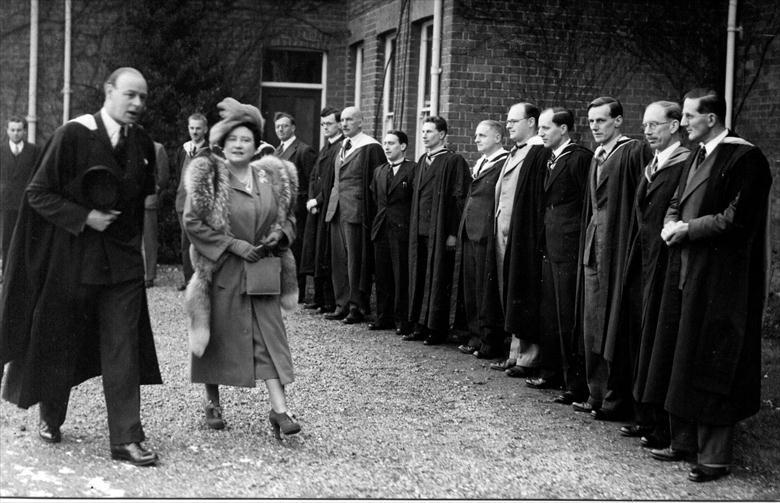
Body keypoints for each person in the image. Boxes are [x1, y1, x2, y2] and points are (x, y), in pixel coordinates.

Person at [0, 67, 162, 466]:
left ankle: (126, 437)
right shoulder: (72, 135)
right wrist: (84, 216)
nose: (138, 104)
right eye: (130, 95)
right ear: (109, 91)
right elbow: (37, 194)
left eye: (143, 97)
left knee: (123, 346)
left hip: (122, 267)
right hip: (73, 262)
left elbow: (141, 201)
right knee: (61, 341)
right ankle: (51, 416)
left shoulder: (142, 143)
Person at [649, 89, 771, 483]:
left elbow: (737, 219)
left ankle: (714, 457)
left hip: (723, 277)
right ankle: (683, 441)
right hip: (689, 267)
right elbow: (677, 199)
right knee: (682, 354)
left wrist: (688, 229)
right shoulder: (698, 155)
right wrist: (671, 222)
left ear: (712, 118)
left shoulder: (746, 158)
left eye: (688, 116)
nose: (683, 123)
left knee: (713, 359)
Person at [183, 97, 301, 438]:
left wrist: (281, 234)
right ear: (223, 142)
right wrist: (233, 245)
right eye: (233, 139)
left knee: (268, 338)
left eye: (246, 139)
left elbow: (289, 217)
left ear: (256, 144)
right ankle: (212, 400)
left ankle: (279, 410)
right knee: (217, 338)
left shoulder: (271, 176)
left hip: (261, 271)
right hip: (222, 271)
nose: (239, 145)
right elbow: (192, 222)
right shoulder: (210, 177)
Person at [572, 96, 652, 420]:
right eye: (591, 122)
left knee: (614, 323)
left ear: (618, 121)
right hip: (594, 247)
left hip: (618, 248)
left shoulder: (633, 152)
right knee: (592, 322)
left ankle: (617, 399)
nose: (595, 127)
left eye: (601, 121)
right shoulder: (596, 156)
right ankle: (596, 392)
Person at [622, 101, 689, 447]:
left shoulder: (685, 163)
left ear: (675, 126)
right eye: (645, 125)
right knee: (641, 336)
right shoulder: (653, 164)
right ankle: (643, 416)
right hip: (644, 261)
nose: (647, 131)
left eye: (655, 125)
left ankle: (660, 423)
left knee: (661, 343)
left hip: (666, 263)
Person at [530, 108, 591, 401]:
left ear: (563, 129)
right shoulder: (550, 159)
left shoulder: (578, 158)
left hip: (569, 246)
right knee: (551, 311)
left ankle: (574, 383)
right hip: (551, 244)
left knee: (567, 313)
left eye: (545, 128)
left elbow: (585, 205)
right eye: (539, 128)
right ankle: (551, 372)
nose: (540, 133)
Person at [486, 103, 548, 377]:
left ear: (532, 122)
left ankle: (529, 356)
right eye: (507, 121)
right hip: (504, 229)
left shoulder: (538, 152)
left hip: (522, 232)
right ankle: (515, 351)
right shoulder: (515, 153)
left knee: (523, 289)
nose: (508, 125)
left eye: (514, 121)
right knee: (508, 289)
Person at [405, 116, 470, 345]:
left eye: (429, 131)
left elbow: (459, 198)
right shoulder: (423, 160)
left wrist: (453, 232)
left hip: (441, 231)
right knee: (420, 276)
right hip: (420, 230)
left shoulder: (454, 161)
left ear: (442, 134)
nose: (424, 135)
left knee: (438, 278)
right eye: (423, 131)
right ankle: (419, 325)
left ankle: (436, 328)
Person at [323, 106, 385, 324]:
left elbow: (377, 183)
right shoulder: (342, 146)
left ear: (361, 122)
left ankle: (357, 306)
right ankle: (342, 303)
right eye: (343, 120)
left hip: (357, 210)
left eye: (350, 120)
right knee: (339, 258)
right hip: (337, 208)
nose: (344, 124)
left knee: (355, 260)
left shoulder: (370, 147)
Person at [453, 120, 508, 359]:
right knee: (471, 287)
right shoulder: (481, 163)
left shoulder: (504, 162)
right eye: (476, 135)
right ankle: (475, 335)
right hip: (470, 230)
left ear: (497, 138)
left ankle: (489, 340)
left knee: (485, 289)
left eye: (482, 135)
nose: (476, 139)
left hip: (486, 232)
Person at [369, 130, 416, 334]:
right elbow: (375, 198)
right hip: (381, 229)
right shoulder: (379, 171)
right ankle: (383, 317)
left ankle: (402, 320)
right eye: (385, 143)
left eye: (391, 143)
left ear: (403, 146)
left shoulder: (413, 169)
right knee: (382, 275)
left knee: (401, 276)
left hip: (402, 230)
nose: (386, 147)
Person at [302, 107, 343, 314]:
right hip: (316, 207)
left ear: (339, 124)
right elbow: (314, 175)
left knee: (326, 253)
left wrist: (318, 201)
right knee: (316, 252)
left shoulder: (340, 148)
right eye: (323, 124)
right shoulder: (326, 147)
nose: (325, 127)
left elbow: (332, 182)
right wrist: (311, 198)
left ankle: (328, 300)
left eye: (329, 123)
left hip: (327, 207)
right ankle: (318, 298)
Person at [274, 112, 316, 303]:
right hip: (279, 208)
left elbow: (311, 182)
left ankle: (297, 290)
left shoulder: (303, 150)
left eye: (284, 126)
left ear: (293, 128)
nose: (280, 129)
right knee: (281, 246)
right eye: (277, 127)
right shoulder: (277, 150)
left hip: (296, 208)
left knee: (295, 248)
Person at [174, 113, 209, 290]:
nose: (195, 132)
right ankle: (188, 279)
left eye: (198, 128)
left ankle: (202, 280)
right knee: (185, 243)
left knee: (200, 243)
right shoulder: (183, 150)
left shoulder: (210, 152)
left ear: (205, 129)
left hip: (200, 206)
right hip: (182, 202)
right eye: (192, 128)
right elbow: (178, 174)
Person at [0, 116, 40, 269]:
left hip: (27, 203)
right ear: (7, 131)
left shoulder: (35, 150)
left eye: (19, 130)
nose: (16, 133)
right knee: (7, 240)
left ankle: (24, 277)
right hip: (6, 203)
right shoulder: (1, 150)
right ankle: (6, 274)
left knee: (27, 240)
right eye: (12, 130)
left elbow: (38, 176)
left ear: (24, 131)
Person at [142, 141, 170, 287]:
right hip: (129, 201)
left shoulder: (157, 148)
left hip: (148, 200)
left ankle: (148, 276)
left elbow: (163, 177)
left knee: (149, 238)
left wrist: (154, 189)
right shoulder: (127, 145)